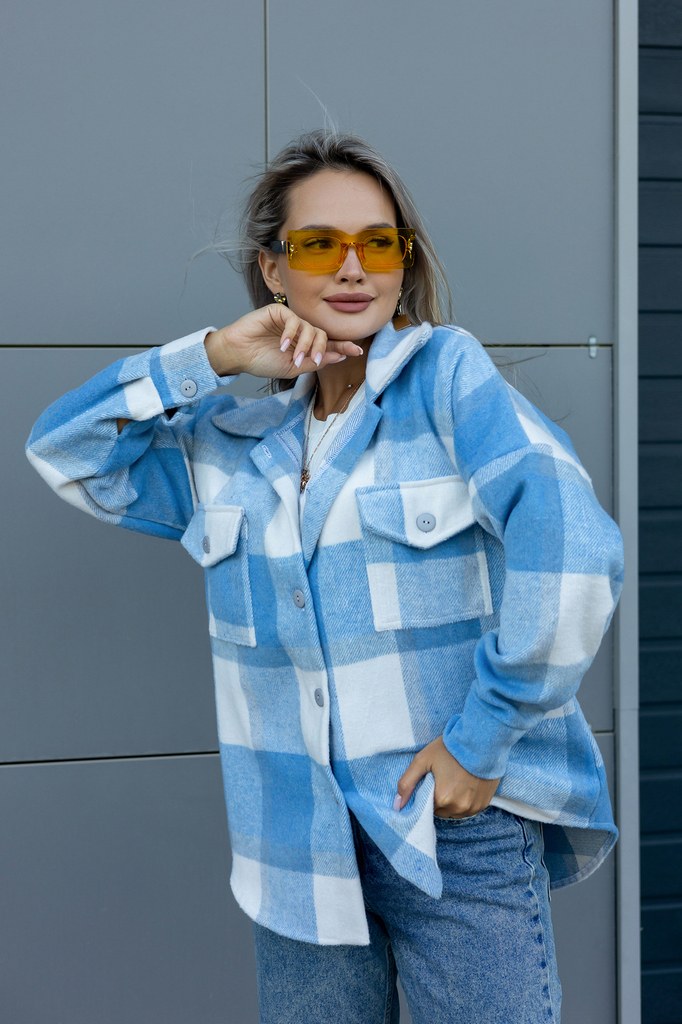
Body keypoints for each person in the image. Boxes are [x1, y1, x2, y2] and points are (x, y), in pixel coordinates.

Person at [26, 129, 623, 1024]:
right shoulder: (232, 447)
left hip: (448, 836)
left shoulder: (446, 380)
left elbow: (574, 546)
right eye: (319, 244)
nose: (353, 267)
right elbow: (65, 451)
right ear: (273, 270)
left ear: (403, 260)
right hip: (296, 851)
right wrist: (215, 357)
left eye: (379, 242)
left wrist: (483, 738)